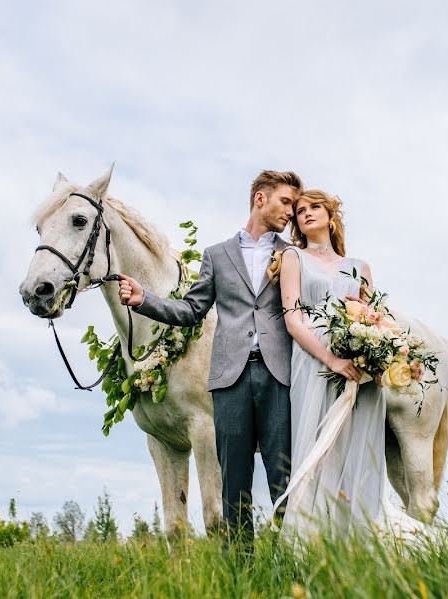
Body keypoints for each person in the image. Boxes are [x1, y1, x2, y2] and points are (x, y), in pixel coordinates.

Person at [117, 169, 303, 545]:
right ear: (260, 198)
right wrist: (144, 300)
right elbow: (191, 310)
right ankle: (239, 568)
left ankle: (291, 563)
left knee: (283, 475)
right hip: (228, 380)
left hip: (278, 377)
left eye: (295, 206)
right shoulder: (216, 256)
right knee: (233, 479)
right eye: (286, 202)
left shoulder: (293, 256)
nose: (291, 212)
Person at [268, 189, 389, 538]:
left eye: (314, 207)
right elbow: (293, 320)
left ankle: (355, 540)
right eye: (300, 210)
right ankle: (311, 541)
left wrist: (378, 364)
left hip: (357, 369)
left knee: (356, 444)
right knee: (315, 442)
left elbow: (373, 319)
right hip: (315, 362)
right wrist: (331, 360)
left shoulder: (359, 267)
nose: (305, 213)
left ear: (331, 216)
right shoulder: (293, 257)